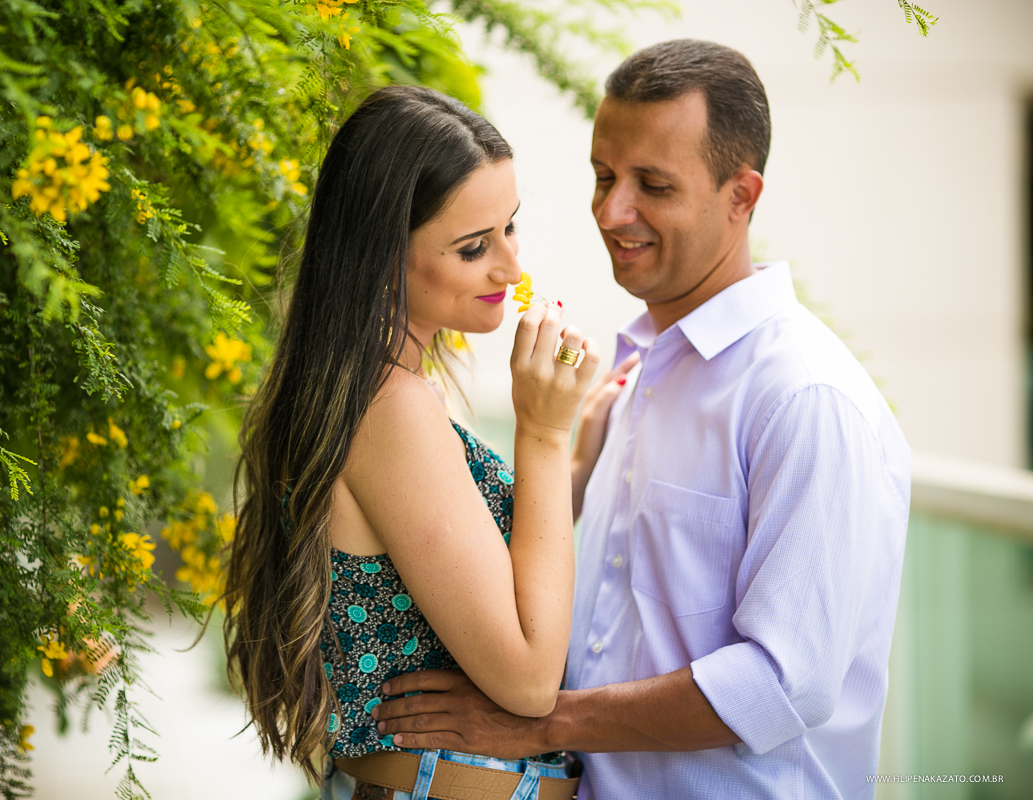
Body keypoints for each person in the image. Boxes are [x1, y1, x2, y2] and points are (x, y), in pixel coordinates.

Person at [373, 40, 912, 800]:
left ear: (741, 195)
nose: (610, 211)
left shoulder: (805, 398)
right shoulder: (631, 379)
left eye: (652, 185)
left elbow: (783, 684)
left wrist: (544, 723)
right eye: (602, 176)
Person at [222, 84, 601, 800]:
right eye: (472, 248)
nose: (511, 269)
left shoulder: (359, 391)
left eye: (509, 228)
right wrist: (545, 435)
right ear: (382, 254)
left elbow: (475, 565)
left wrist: (575, 462)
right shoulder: (392, 408)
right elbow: (528, 679)